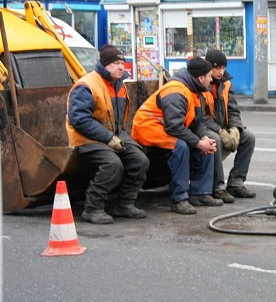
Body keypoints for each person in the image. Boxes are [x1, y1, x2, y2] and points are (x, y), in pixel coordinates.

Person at [66, 44, 149, 224]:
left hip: (113, 136)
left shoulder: (119, 85)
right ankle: (93, 208)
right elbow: (79, 120)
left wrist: (116, 137)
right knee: (113, 164)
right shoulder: (87, 85)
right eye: (115, 63)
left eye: (122, 63)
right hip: (86, 139)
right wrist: (108, 138)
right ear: (104, 64)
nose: (121, 67)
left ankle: (125, 204)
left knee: (140, 160)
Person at [131, 57, 223, 215]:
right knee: (180, 146)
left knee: (208, 143)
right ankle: (179, 199)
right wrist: (197, 142)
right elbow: (174, 126)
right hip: (147, 129)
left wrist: (203, 138)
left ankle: (201, 193)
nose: (211, 79)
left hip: (166, 128)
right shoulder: (176, 91)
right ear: (201, 78)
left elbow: (197, 122)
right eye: (209, 76)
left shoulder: (195, 90)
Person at [202, 49, 257, 202]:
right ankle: (218, 187)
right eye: (217, 68)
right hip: (205, 129)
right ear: (208, 67)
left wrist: (235, 129)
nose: (221, 71)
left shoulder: (226, 84)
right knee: (216, 141)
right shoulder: (201, 83)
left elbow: (233, 110)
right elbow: (200, 117)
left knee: (248, 138)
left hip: (223, 127)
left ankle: (236, 182)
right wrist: (219, 131)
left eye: (223, 68)